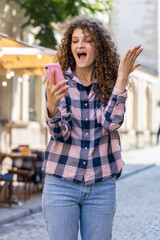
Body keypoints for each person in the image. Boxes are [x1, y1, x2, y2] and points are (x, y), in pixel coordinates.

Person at [42, 16, 143, 240]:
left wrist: (121, 80)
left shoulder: (110, 84)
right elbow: (61, 134)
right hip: (61, 184)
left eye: (87, 40)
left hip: (101, 185)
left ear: (98, 47)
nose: (80, 45)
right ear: (70, 47)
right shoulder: (58, 83)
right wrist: (52, 109)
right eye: (75, 40)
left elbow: (111, 123)